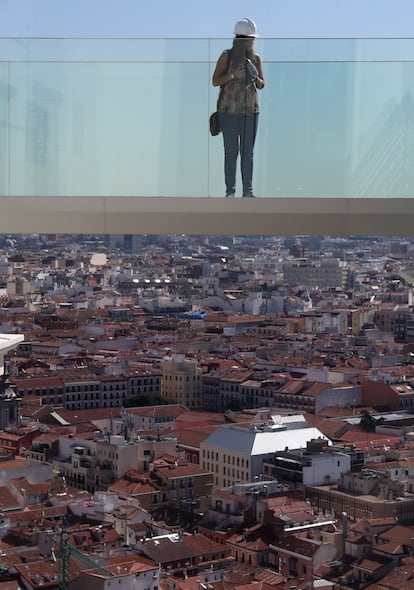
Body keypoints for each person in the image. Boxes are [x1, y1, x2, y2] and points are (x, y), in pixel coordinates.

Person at [212, 17, 265, 198]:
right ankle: (230, 192)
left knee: (247, 153)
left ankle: (248, 192)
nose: (252, 41)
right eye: (249, 38)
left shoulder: (256, 58)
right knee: (231, 152)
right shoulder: (226, 56)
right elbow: (215, 81)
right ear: (240, 38)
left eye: (252, 38)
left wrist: (254, 76)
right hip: (228, 112)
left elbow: (261, 85)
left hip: (250, 111)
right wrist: (234, 75)